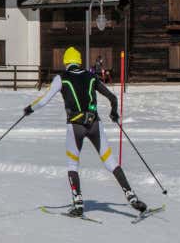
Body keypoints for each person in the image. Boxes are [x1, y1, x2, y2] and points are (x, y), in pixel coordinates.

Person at [23, 47, 146, 217]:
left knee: (73, 164)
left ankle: (78, 204)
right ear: (79, 61)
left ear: (66, 62)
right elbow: (113, 97)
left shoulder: (62, 78)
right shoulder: (91, 76)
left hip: (75, 127)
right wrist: (114, 113)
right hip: (95, 124)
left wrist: (29, 109)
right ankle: (131, 197)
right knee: (110, 161)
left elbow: (43, 100)